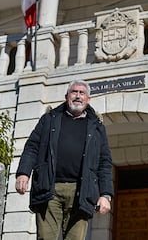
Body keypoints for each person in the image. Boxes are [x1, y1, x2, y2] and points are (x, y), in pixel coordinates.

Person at [15, 79, 113, 240]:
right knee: (46, 238)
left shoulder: (97, 126)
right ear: (66, 96)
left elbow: (104, 161)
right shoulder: (49, 119)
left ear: (88, 99)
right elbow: (32, 146)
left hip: (81, 192)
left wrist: (106, 194)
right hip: (49, 188)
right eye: (74, 92)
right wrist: (23, 173)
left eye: (82, 93)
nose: (78, 96)